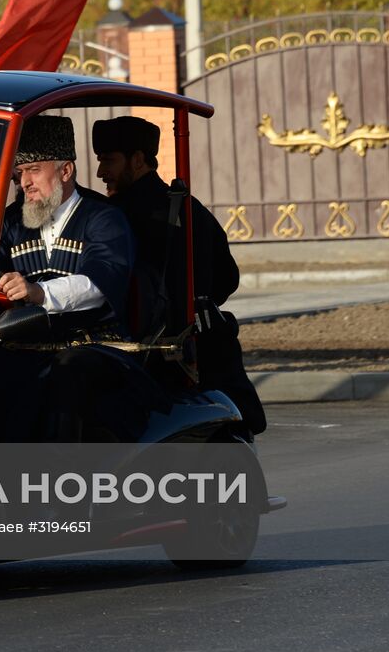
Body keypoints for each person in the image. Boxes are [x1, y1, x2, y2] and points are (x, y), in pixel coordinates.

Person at [0, 114, 169, 443]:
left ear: (65, 171)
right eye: (18, 173)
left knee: (68, 370)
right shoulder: (9, 223)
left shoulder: (103, 217)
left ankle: (64, 478)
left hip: (99, 346)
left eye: (33, 170)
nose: (23, 182)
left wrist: (37, 292)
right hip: (24, 346)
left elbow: (100, 282)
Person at [92, 115, 267, 434]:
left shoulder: (113, 218)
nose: (101, 172)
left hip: (152, 358)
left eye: (109, 161)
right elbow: (228, 278)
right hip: (204, 345)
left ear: (138, 159)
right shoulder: (190, 206)